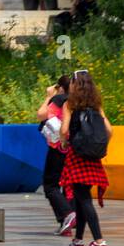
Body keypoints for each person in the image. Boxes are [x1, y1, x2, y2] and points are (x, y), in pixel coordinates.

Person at [59, 69, 113, 246]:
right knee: (82, 197)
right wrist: (99, 146)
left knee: (83, 199)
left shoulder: (70, 104)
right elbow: (109, 130)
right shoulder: (96, 104)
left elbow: (64, 129)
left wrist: (65, 143)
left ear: (75, 84)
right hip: (93, 156)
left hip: (77, 155)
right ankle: (78, 239)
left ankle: (99, 240)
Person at [36, 74, 75, 236]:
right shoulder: (78, 101)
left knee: (50, 185)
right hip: (74, 148)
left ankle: (67, 215)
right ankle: (67, 224)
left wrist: (49, 96)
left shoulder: (60, 100)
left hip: (58, 147)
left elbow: (41, 114)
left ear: (61, 87)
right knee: (69, 185)